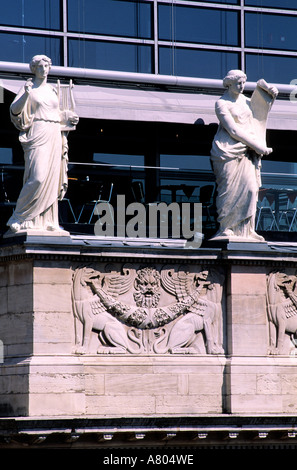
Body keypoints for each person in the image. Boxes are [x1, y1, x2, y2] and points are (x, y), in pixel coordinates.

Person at [7, 54, 78, 233]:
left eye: (46, 66)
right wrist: (26, 95)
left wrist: (69, 117)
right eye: (39, 66)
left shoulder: (53, 90)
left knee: (51, 180)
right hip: (37, 132)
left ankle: (48, 221)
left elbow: (57, 114)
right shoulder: (28, 88)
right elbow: (14, 112)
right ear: (34, 69)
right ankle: (19, 216)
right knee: (38, 177)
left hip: (54, 133)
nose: (43, 69)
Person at [210, 69, 278, 241]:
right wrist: (258, 146)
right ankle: (226, 227)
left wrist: (271, 96)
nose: (241, 87)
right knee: (228, 190)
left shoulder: (246, 101)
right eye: (238, 83)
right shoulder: (222, 104)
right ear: (229, 83)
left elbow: (259, 113)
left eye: (243, 83)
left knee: (251, 188)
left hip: (247, 152)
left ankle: (246, 229)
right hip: (227, 152)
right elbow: (233, 130)